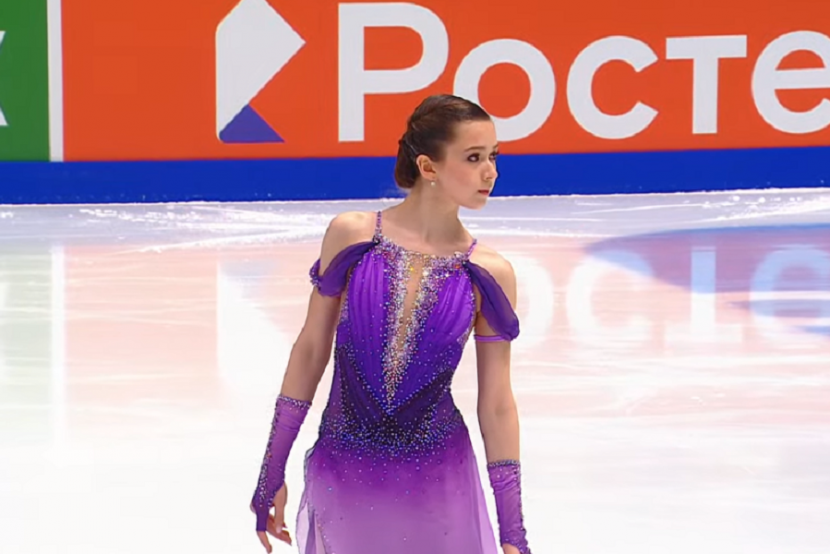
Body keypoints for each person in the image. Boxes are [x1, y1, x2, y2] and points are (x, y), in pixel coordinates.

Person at [249, 94, 532, 554]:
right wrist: (272, 469)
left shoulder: (487, 273)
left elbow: (497, 404)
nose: (491, 173)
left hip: (438, 481)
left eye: (494, 157)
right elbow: (311, 349)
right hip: (344, 473)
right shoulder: (353, 236)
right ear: (428, 166)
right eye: (474, 158)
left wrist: (513, 533)